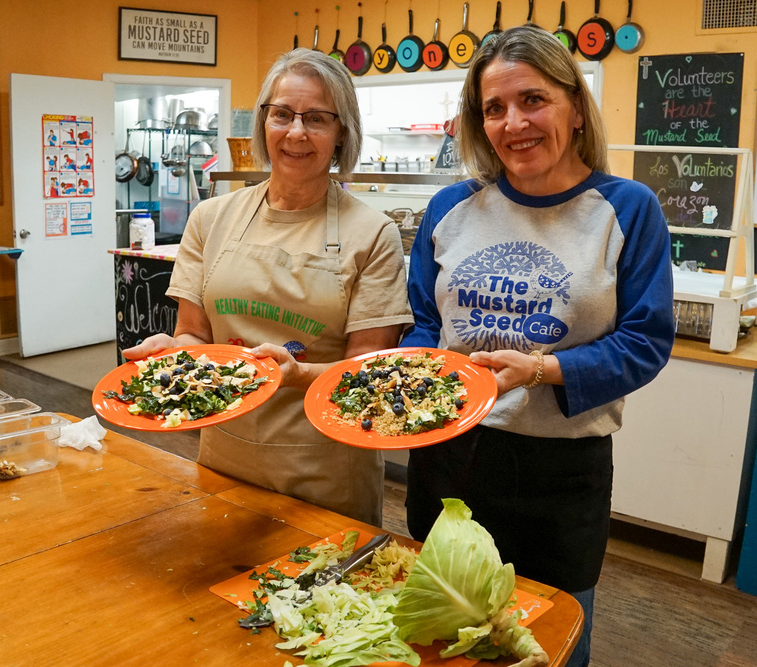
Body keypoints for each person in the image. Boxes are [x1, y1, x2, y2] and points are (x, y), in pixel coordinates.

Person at [400, 26, 674, 667]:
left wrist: (542, 370)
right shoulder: (450, 207)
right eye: (493, 108)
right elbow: (421, 323)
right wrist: (412, 371)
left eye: (532, 100)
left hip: (560, 470)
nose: (512, 122)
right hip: (449, 456)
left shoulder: (627, 209)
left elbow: (645, 342)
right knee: (445, 638)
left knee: (547, 643)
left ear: (574, 107)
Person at [123, 48, 413, 526]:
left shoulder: (372, 233)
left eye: (317, 118)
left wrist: (296, 375)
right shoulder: (211, 219)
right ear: (263, 122)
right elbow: (195, 336)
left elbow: (369, 375)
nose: (296, 132)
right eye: (282, 114)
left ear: (342, 133)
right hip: (225, 454)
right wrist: (173, 355)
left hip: (325, 469)